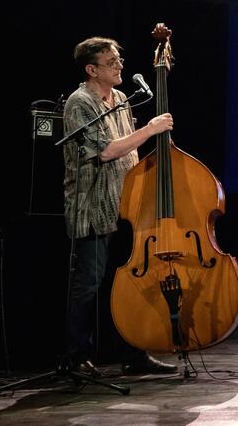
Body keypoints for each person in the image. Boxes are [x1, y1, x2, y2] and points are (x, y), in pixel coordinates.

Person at [63, 37, 177, 376]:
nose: (119, 66)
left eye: (119, 61)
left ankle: (134, 353)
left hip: (126, 207)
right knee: (89, 285)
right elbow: (107, 150)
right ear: (92, 69)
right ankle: (76, 357)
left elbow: (131, 152)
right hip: (93, 208)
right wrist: (151, 128)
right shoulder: (79, 103)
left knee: (130, 285)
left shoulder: (123, 98)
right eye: (111, 63)